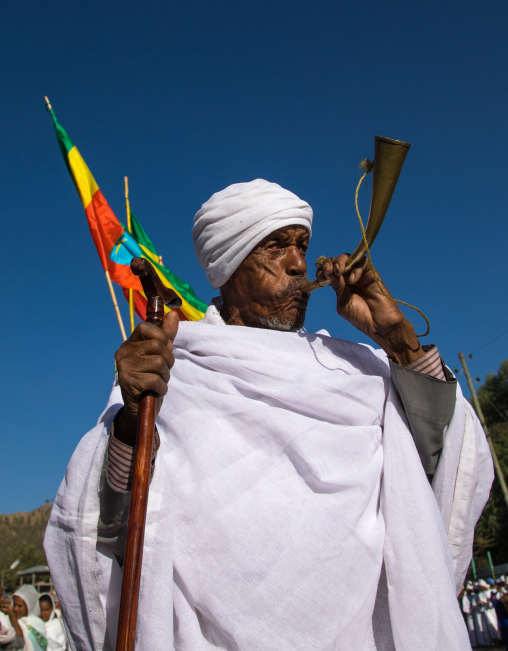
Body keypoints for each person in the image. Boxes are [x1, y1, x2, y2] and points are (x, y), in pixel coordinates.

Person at [45, 180, 494, 650]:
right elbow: (107, 522)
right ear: (228, 265)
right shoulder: (169, 373)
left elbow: (439, 471)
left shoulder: (358, 369)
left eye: (301, 245)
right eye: (275, 247)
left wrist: (398, 341)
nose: (298, 264)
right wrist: (133, 420)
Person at [0, 585, 47, 651]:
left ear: (29, 606)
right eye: (14, 605)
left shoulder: (36, 624)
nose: (16, 609)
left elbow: (19, 642)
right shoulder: (8, 620)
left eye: (20, 606)